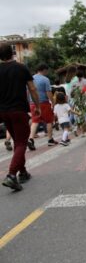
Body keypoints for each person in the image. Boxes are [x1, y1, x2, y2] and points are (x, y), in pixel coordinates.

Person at [0, 43, 40, 191]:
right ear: (12, 53)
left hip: (3, 111)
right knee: (22, 142)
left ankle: (22, 172)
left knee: (18, 142)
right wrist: (38, 106)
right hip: (18, 110)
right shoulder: (21, 68)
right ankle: (11, 175)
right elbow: (32, 88)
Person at [28, 64, 57, 150]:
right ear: (44, 70)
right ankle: (50, 140)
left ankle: (31, 139)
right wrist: (53, 102)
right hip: (43, 103)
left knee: (35, 121)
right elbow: (48, 92)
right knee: (49, 121)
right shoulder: (45, 79)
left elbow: (28, 92)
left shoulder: (30, 79)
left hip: (32, 103)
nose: (47, 72)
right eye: (46, 71)